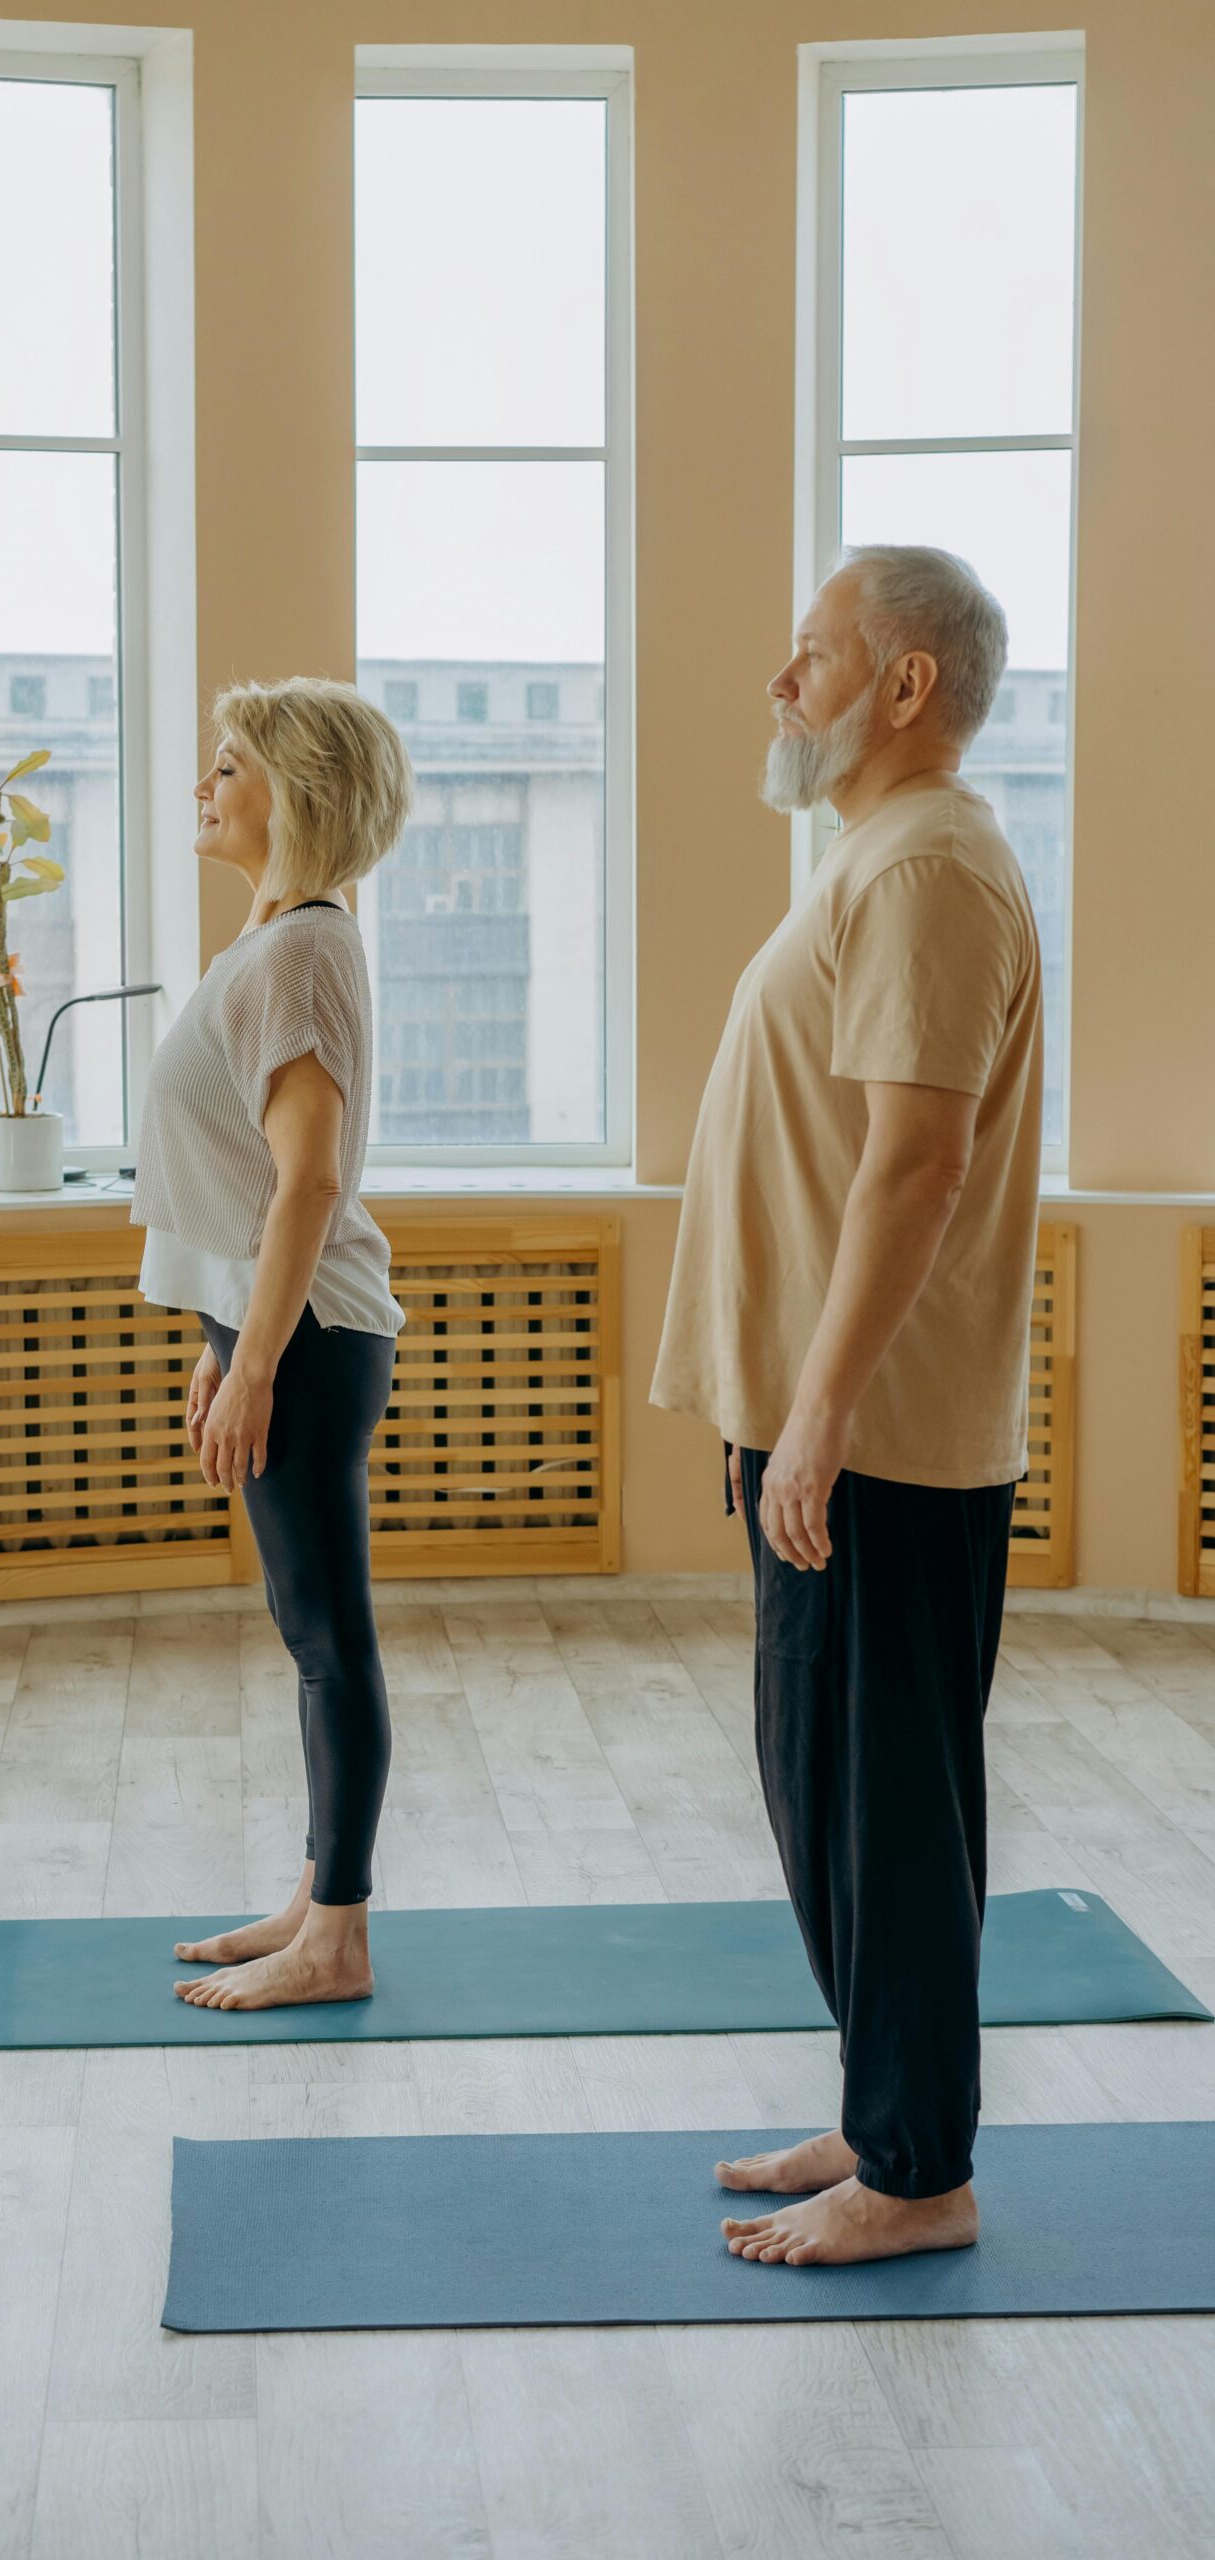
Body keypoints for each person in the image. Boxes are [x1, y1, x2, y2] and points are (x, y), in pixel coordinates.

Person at [651, 545, 1044, 2266]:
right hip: (830, 1432)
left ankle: (920, 2170)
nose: (779, 683)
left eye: (809, 655)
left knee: (879, 1802)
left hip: (876, 1440)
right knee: (834, 1791)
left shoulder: (933, 866)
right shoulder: (883, 859)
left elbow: (916, 1162)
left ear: (904, 687)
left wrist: (817, 1416)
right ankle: (884, 2103)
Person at [129, 676, 413, 2011]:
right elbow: (254, 1179)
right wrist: (226, 1334)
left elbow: (307, 1184)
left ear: (290, 793)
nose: (206, 787)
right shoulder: (282, 939)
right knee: (308, 1630)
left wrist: (255, 1361)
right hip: (279, 1330)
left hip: (310, 1340)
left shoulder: (302, 948)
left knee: (326, 1637)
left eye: (228, 766)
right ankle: (315, 1898)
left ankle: (339, 1938)